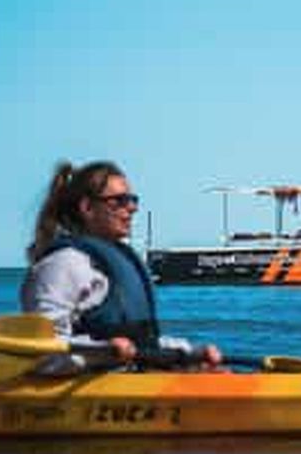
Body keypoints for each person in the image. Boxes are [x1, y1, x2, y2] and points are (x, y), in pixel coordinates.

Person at [21, 160, 222, 374]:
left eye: (132, 200)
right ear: (87, 207)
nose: (132, 208)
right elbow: (46, 355)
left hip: (133, 379)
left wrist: (190, 353)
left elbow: (144, 344)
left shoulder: (124, 259)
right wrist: (102, 352)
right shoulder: (62, 266)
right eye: (119, 201)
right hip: (89, 391)